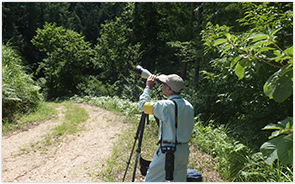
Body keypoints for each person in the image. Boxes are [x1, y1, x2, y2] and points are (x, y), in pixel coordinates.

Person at [139, 74, 194, 182]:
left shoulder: (165, 106)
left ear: (169, 89)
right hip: (183, 151)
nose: (162, 86)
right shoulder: (189, 106)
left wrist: (148, 88)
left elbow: (143, 105)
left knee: (151, 181)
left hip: (168, 151)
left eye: (164, 84)